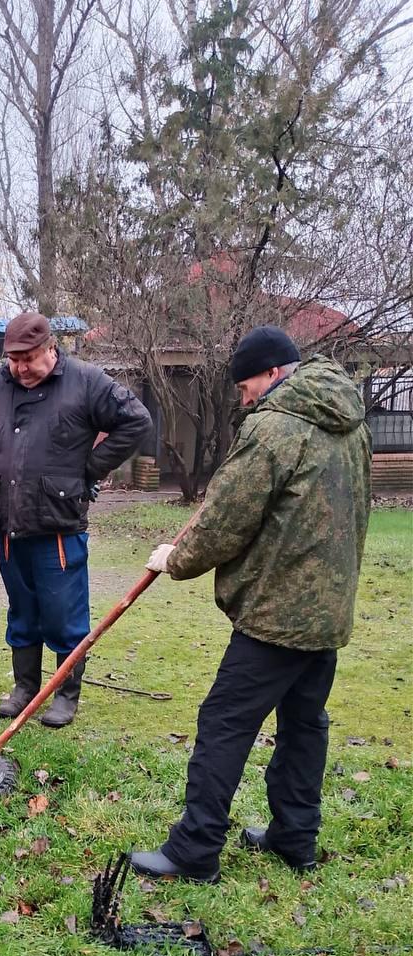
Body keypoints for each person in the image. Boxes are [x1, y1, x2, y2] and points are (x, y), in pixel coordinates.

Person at [130, 325, 372, 883]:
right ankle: (295, 837)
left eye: (244, 387)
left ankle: (194, 850)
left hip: (277, 614)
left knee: (224, 723)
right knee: (304, 724)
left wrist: (176, 558)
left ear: (271, 374)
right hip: (329, 608)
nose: (242, 399)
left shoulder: (275, 428)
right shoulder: (350, 421)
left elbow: (225, 520)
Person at [0, 312, 153, 727]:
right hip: (8, 524)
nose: (21, 368)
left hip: (58, 525)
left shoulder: (85, 381)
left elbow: (135, 421)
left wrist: (91, 468)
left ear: (51, 348)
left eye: (29, 358)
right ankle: (26, 688)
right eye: (14, 359)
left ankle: (66, 693)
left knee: (64, 615)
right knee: (22, 611)